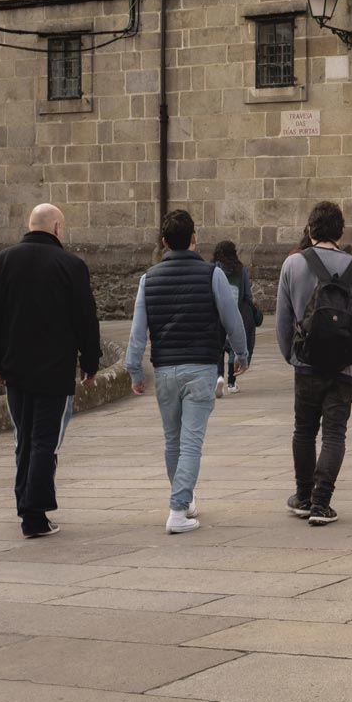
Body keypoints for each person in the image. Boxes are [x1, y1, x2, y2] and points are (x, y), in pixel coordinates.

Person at [0, 203, 101, 539]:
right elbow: (85, 320)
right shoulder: (71, 265)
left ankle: (27, 507)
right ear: (58, 228)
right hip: (55, 370)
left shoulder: (2, 261)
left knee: (24, 439)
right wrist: (90, 363)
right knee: (45, 441)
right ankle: (34, 514)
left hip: (15, 368)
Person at [126, 210, 249, 534]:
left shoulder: (147, 278)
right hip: (200, 367)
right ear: (194, 238)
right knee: (191, 442)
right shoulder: (213, 274)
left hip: (165, 368)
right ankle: (178, 510)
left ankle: (185, 498)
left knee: (173, 440)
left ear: (165, 242)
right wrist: (241, 353)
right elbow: (231, 319)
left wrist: (134, 369)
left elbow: (139, 331)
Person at [276, 201, 352, 526]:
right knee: (334, 433)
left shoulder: (292, 265)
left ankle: (303, 496)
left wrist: (292, 355)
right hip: (344, 367)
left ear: (310, 230)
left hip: (306, 364)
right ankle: (322, 504)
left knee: (304, 430)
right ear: (340, 232)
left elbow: (283, 322)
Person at [212, 240, 259, 396]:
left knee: (218, 346)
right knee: (234, 347)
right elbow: (247, 294)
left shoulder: (214, 269)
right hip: (236, 312)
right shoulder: (240, 270)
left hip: (217, 314)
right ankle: (232, 382)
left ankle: (219, 376)